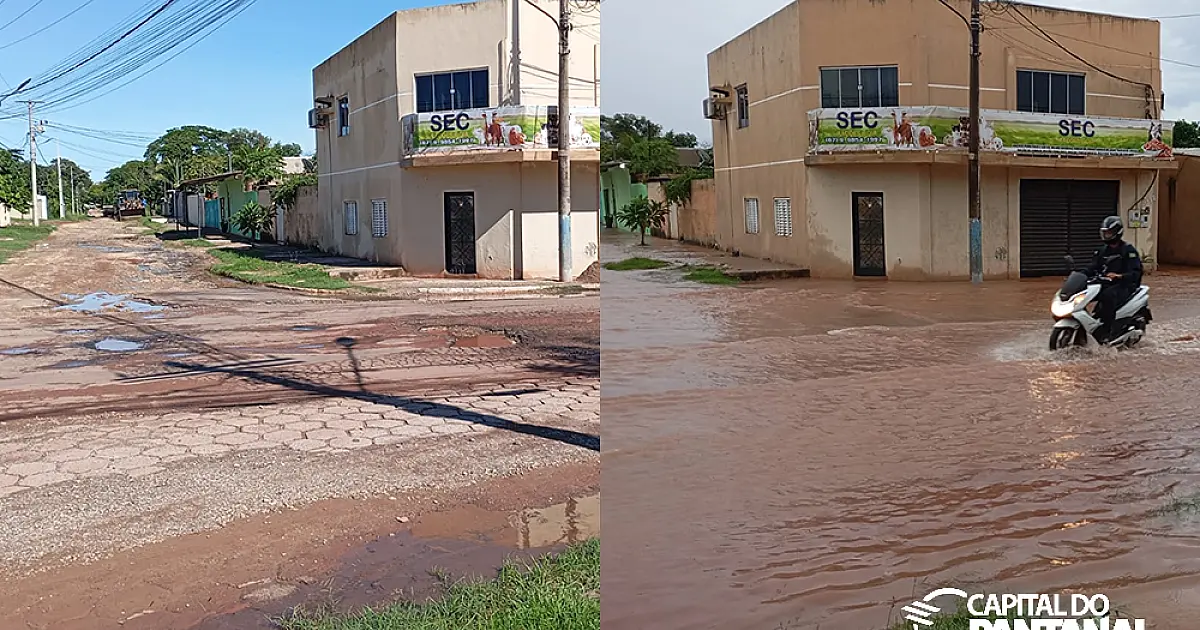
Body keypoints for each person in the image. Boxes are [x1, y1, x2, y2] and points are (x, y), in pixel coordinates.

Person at [1085, 216, 1142, 341]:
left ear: (1117, 232)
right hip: (1105, 283)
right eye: (1104, 232)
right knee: (1083, 295)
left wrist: (1119, 276)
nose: (1106, 235)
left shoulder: (1128, 250)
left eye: (1109, 233)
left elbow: (1136, 273)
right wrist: (1080, 275)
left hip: (1125, 285)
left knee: (1108, 296)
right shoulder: (1102, 251)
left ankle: (1107, 331)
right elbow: (1092, 267)